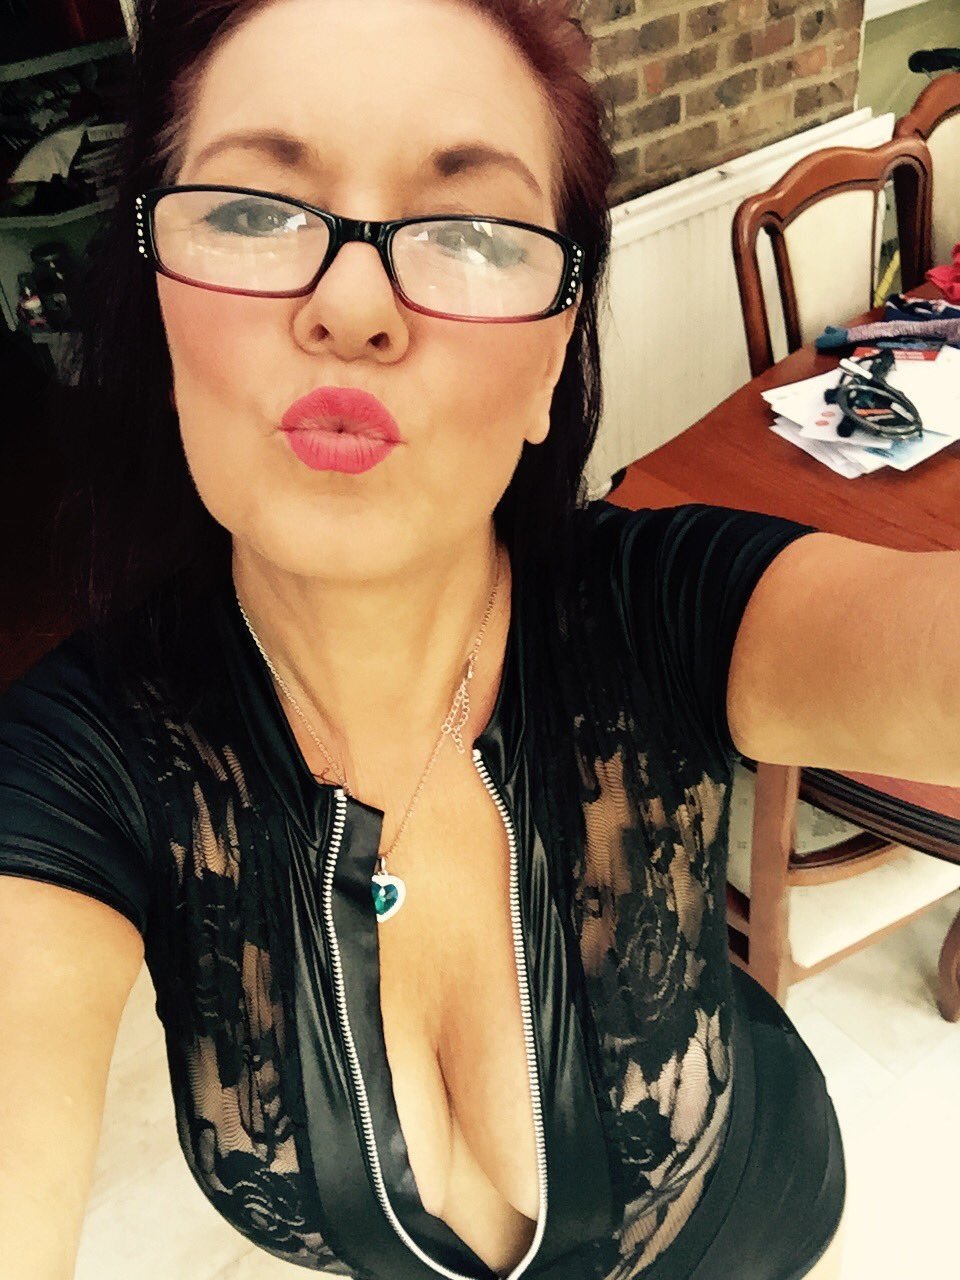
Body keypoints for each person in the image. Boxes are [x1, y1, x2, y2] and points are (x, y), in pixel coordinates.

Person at [0, 1, 875, 1276]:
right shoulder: (77, 766)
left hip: (769, 1219)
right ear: (159, 295)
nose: (354, 305)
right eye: (254, 212)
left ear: (551, 354)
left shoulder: (664, 606)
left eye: (469, 229)